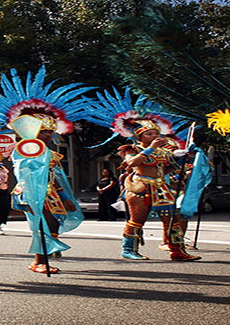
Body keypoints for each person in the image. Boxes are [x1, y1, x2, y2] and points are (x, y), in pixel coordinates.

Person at [0, 67, 90, 274]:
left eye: (50, 131)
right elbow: (24, 172)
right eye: (43, 131)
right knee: (43, 224)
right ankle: (38, 261)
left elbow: (53, 176)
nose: (48, 135)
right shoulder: (23, 149)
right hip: (31, 191)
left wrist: (64, 196)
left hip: (50, 192)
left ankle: (45, 256)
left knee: (54, 224)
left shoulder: (50, 152)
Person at [87, 88, 202, 261]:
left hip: (161, 188)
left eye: (156, 133)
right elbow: (133, 163)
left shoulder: (163, 151)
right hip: (140, 188)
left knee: (173, 219)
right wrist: (152, 148)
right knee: (137, 220)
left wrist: (181, 160)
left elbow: (166, 169)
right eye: (149, 134)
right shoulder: (131, 149)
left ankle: (177, 251)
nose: (155, 136)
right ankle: (128, 250)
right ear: (139, 136)